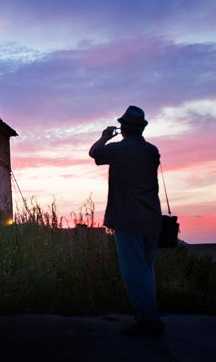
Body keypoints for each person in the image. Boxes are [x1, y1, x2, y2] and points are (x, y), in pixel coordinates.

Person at [89, 105, 164, 337]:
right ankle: (149, 316)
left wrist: (105, 136)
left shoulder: (119, 150)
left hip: (127, 219)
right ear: (142, 128)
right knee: (146, 271)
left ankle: (148, 322)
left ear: (123, 128)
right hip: (152, 219)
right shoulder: (152, 151)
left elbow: (95, 153)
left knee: (134, 273)